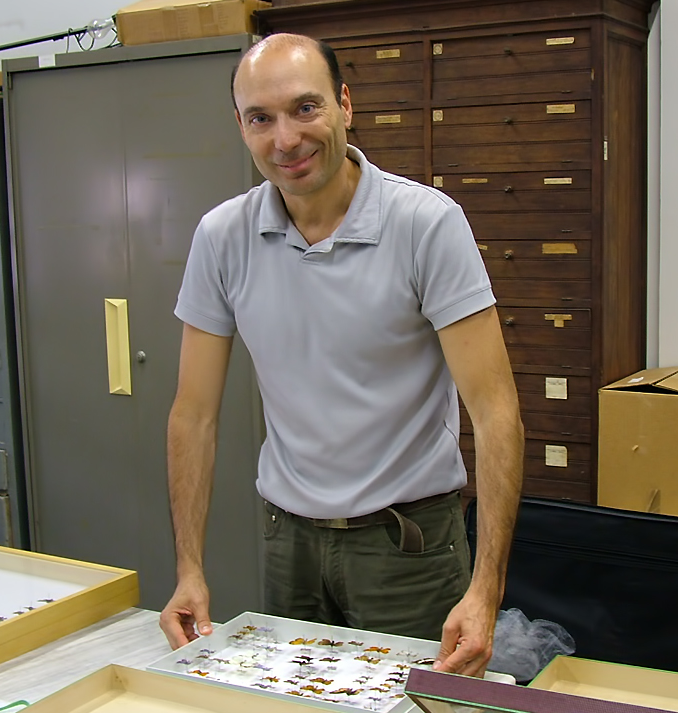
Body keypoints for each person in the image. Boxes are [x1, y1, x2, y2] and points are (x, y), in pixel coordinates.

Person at [158, 33, 523, 677]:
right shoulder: (222, 237)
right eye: (261, 119)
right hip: (287, 542)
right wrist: (189, 568)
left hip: (408, 546)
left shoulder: (426, 224)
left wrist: (486, 589)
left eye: (306, 108)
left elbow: (497, 415)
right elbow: (193, 416)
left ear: (345, 104)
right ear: (240, 127)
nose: (286, 140)